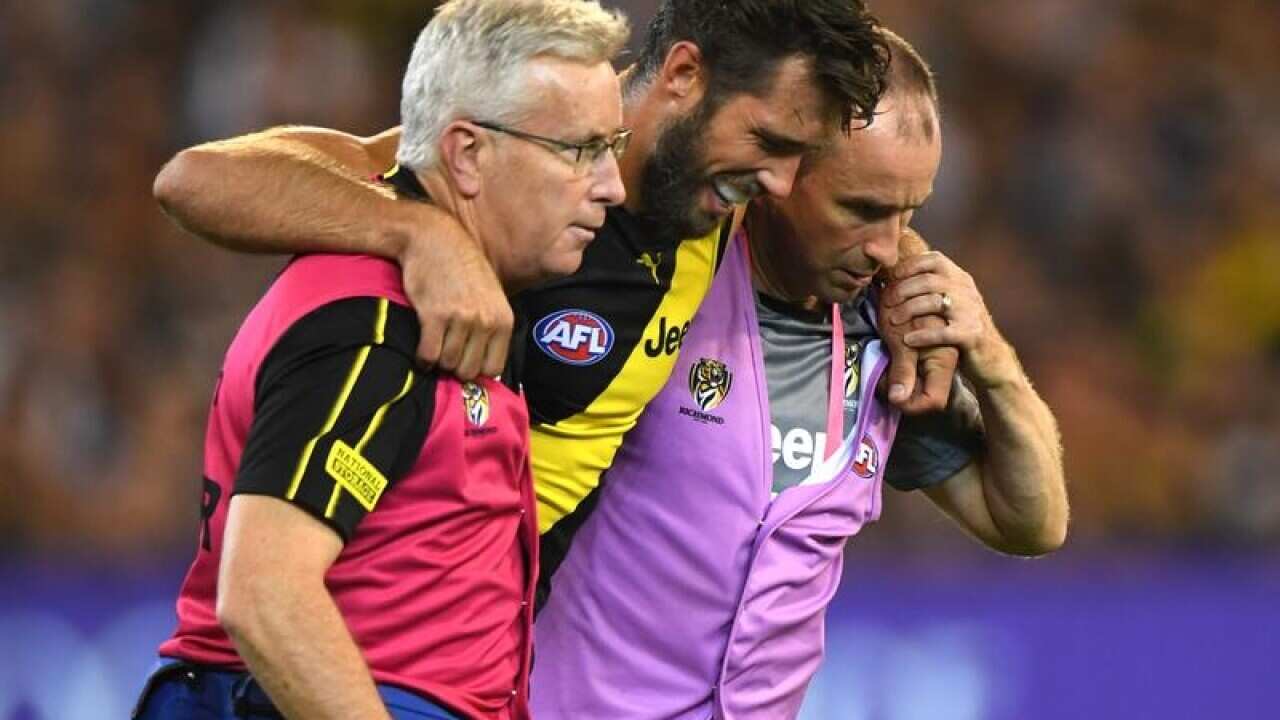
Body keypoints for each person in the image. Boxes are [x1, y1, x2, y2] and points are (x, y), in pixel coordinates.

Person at [150, 0, 951, 595]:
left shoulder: (725, 212)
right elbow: (195, 180)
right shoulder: (511, 169)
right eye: (769, 144)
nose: (777, 184)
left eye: (797, 158)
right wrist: (415, 235)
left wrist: (915, 277)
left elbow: (860, 212)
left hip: (488, 662)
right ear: (681, 76)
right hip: (358, 618)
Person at [530, 29, 1068, 719]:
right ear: (779, 174)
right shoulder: (659, 279)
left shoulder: (887, 335)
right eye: (863, 210)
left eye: (909, 213)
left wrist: (990, 358)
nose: (885, 245)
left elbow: (1031, 523)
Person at [134, 2, 629, 719]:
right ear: (465, 154)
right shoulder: (380, 325)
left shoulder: (463, 295)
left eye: (611, 145)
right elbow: (265, 594)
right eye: (580, 150)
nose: (611, 184)